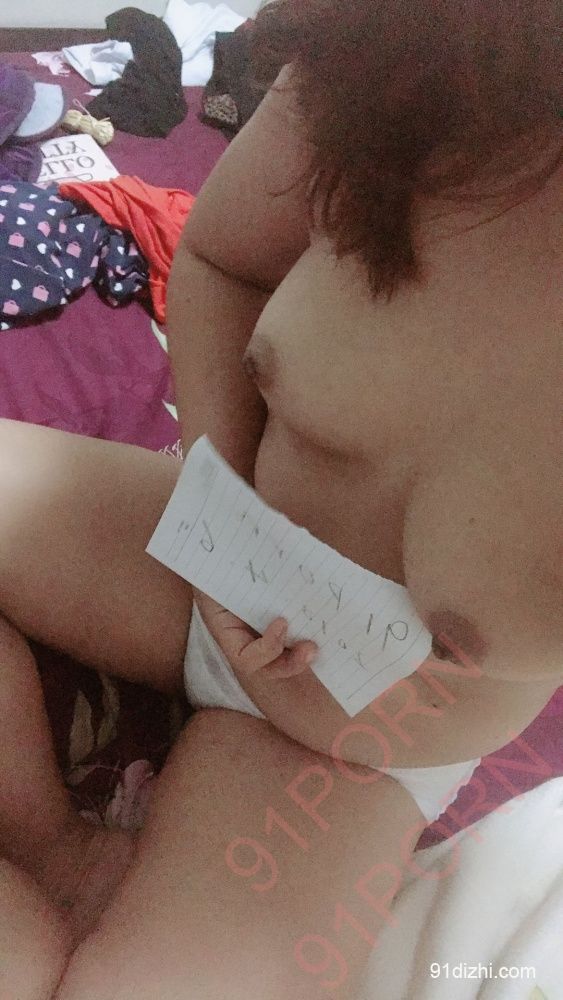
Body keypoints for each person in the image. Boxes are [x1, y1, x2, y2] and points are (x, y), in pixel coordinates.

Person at [0, 1, 561, 997]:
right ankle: (56, 847)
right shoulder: (405, 65)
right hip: (203, 554)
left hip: (346, 748)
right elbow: (221, 258)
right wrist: (222, 520)